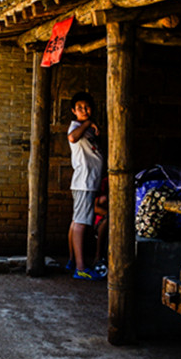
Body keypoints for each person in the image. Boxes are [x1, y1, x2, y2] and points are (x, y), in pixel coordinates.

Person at [66, 91, 106, 281]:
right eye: (80, 108)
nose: (84, 110)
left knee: (77, 222)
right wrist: (88, 123)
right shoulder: (77, 126)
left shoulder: (88, 129)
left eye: (87, 107)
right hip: (85, 182)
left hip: (88, 182)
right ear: (74, 111)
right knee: (81, 223)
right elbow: (72, 138)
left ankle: (74, 261)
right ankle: (81, 268)